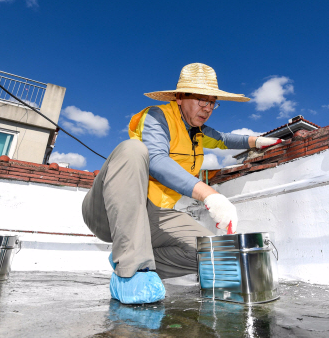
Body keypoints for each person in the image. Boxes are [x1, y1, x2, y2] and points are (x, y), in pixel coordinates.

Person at [82, 63, 282, 304]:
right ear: (179, 97)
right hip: (108, 209)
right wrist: (209, 195)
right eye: (200, 99)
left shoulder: (199, 132)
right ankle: (130, 268)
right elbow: (156, 159)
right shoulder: (157, 116)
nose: (207, 108)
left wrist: (257, 141)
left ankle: (127, 255)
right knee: (132, 150)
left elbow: (226, 139)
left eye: (212, 102)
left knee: (213, 255)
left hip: (156, 215)